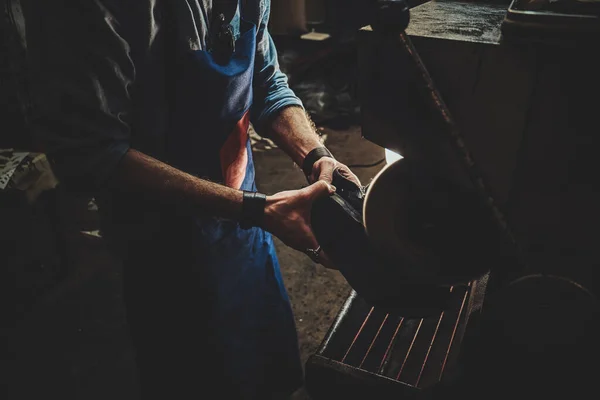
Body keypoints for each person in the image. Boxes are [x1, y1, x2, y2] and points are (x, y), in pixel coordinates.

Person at [9, 0, 361, 398]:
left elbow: (265, 79)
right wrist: (256, 209)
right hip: (159, 246)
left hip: (247, 230)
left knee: (266, 370)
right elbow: (89, 153)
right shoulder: (88, 10)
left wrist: (316, 155)